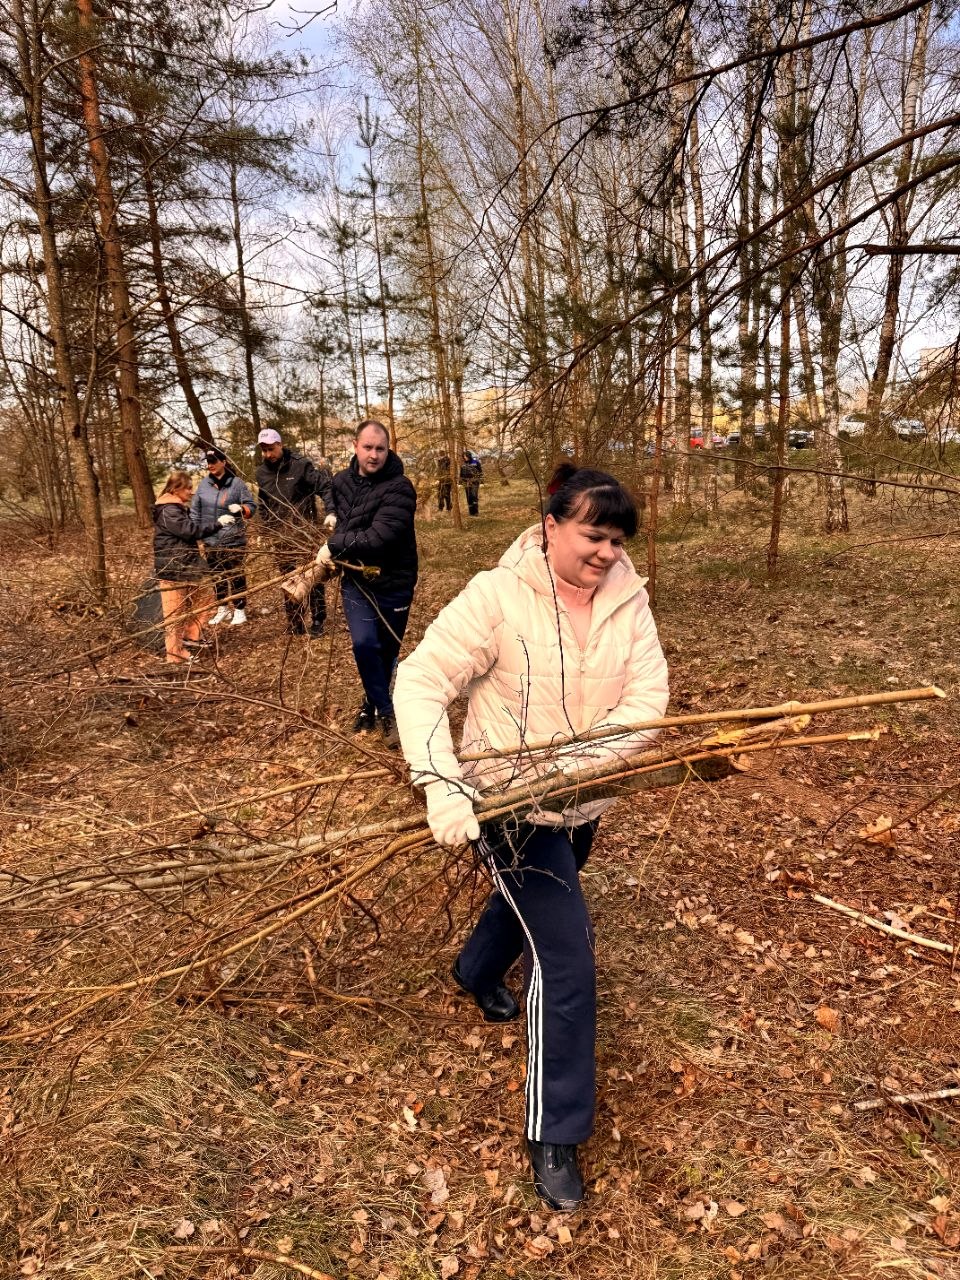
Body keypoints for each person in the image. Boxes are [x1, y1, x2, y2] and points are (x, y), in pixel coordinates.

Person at [393, 468, 669, 1211]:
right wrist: (441, 780)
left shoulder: (628, 600)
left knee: (535, 904)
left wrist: (577, 768)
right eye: (592, 535)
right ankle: (557, 1129)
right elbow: (420, 680)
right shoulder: (497, 596)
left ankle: (476, 970)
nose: (607, 553)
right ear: (550, 525)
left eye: (616, 539)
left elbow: (648, 698)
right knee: (566, 958)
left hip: (581, 802)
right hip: (510, 808)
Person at [315, 420, 417, 748]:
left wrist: (334, 545)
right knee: (363, 645)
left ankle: (368, 704)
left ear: (389, 450)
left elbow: (379, 537)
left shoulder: (400, 488)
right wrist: (331, 514)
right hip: (358, 579)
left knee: (386, 652)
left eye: (380, 449)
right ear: (355, 446)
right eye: (368, 447)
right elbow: (333, 497)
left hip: (395, 581)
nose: (373, 455)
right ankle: (387, 712)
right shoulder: (342, 481)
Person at [255, 427, 334, 636]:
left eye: (271, 449)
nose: (268, 454)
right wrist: (265, 530)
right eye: (264, 450)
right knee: (288, 579)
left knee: (312, 576)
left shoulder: (300, 465)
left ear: (280, 445)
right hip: (281, 537)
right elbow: (263, 503)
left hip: (304, 533)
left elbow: (325, 486)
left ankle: (318, 619)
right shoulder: (261, 473)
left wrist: (331, 512)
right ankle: (295, 622)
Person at [153, 469, 233, 663]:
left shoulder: (177, 507)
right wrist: (218, 524)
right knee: (174, 614)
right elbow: (190, 532)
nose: (191, 492)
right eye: (188, 488)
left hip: (186, 566)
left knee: (205, 597)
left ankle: (191, 637)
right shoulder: (168, 510)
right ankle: (175, 655)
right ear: (175, 488)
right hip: (173, 570)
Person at [191, 446, 257, 627]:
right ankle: (222, 608)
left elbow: (252, 505)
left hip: (233, 541)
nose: (210, 465)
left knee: (235, 575)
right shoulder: (204, 485)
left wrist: (242, 509)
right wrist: (195, 532)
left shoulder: (237, 484)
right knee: (217, 576)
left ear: (223, 462)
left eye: (213, 462)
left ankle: (240, 609)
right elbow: (195, 511)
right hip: (210, 539)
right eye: (208, 462)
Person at [459, 449, 482, 516]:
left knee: (474, 496)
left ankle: (476, 512)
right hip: (466, 483)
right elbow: (461, 474)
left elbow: (480, 472)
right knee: (469, 497)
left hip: (475, 482)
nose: (465, 457)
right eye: (464, 456)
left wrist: (482, 482)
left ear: (469, 456)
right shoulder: (463, 465)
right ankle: (471, 513)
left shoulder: (475, 462)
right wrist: (460, 483)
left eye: (466, 456)